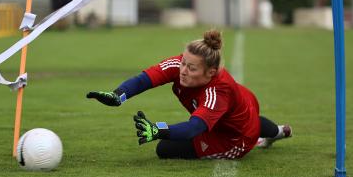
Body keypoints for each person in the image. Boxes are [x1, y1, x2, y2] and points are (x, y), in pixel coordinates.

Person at [86, 30, 292, 159]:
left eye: (191, 68)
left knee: (164, 149)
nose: (183, 70)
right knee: (247, 120)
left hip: (234, 138)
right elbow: (144, 79)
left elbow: (194, 128)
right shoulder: (181, 64)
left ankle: (260, 138)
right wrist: (118, 96)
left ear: (210, 72)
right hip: (242, 106)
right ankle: (279, 131)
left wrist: (157, 129)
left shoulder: (217, 91)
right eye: (183, 62)